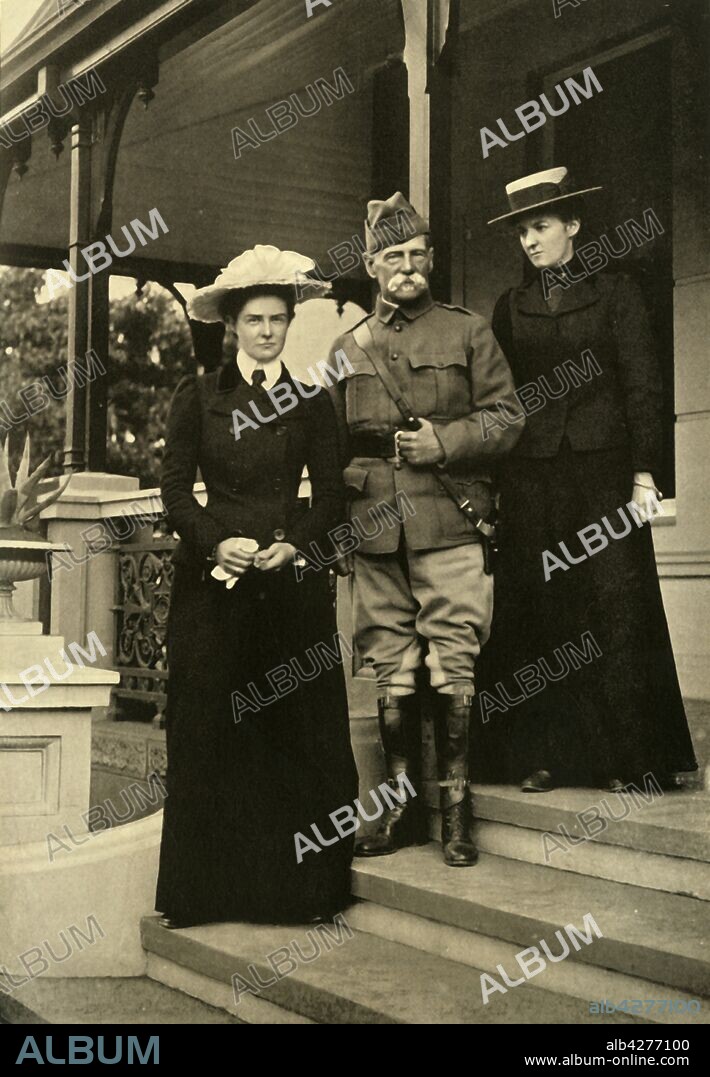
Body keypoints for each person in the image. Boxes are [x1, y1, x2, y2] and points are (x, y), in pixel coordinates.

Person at [155, 245, 358, 927]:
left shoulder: (311, 401)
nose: (268, 330)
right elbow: (175, 494)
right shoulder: (198, 396)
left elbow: (332, 496)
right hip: (214, 590)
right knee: (212, 729)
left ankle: (296, 895)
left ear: (289, 322)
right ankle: (204, 894)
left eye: (278, 319)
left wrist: (292, 545)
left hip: (287, 590)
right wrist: (219, 541)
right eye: (255, 320)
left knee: (294, 735)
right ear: (232, 326)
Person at [480, 166, 697, 792]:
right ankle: (548, 758)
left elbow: (644, 386)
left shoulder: (617, 292)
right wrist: (495, 486)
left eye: (541, 226)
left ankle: (633, 760)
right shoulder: (510, 306)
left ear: (573, 226)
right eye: (522, 230)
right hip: (533, 481)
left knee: (616, 608)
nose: (530, 240)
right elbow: (501, 400)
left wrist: (646, 473)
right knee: (543, 614)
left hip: (605, 476)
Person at [329, 193, 523, 867]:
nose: (406, 267)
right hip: (374, 527)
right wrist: (336, 532)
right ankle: (407, 805)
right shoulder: (348, 346)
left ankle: (457, 809)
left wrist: (443, 442)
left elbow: (507, 418)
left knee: (452, 663)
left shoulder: (466, 330)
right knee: (392, 666)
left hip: (449, 520)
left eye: (417, 255)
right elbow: (328, 447)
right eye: (393, 257)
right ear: (371, 265)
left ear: (432, 260)